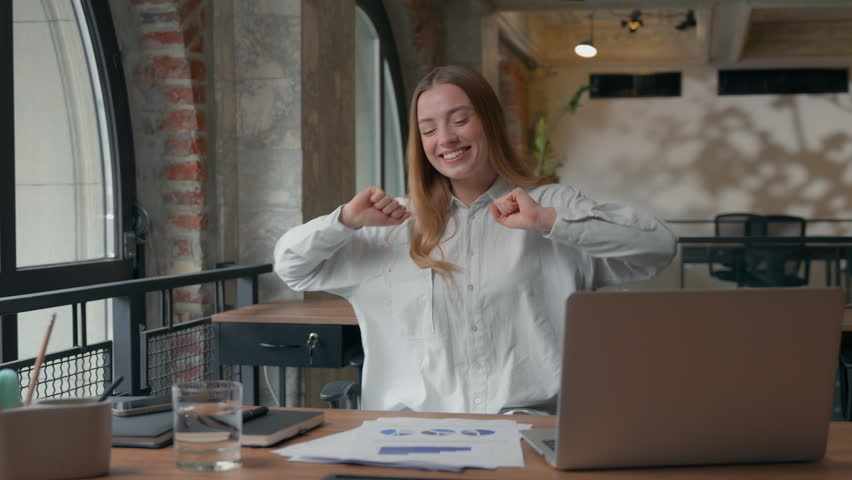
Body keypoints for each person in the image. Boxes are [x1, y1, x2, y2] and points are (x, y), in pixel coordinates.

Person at [274, 65, 677, 414]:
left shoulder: (549, 206)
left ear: (489, 121)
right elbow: (291, 267)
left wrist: (552, 221)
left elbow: (658, 247)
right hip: (412, 438)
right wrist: (344, 220)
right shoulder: (389, 223)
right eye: (428, 129)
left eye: (460, 120)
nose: (445, 138)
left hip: (528, 431)